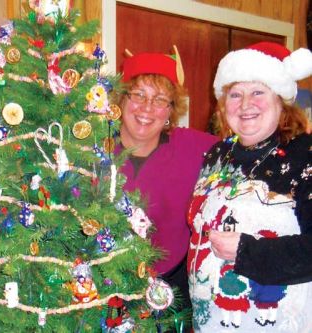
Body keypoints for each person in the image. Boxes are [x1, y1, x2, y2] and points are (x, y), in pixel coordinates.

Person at [187, 41, 312, 332]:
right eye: (235, 94)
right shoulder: (217, 155)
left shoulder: (304, 155)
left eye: (258, 92)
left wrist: (247, 251)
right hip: (211, 322)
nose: (245, 105)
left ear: (281, 100)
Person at [116, 47, 219, 318]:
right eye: (138, 95)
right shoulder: (93, 148)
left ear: (171, 110)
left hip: (172, 295)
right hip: (100, 290)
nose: (147, 108)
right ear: (121, 99)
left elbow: (250, 147)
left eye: (160, 99)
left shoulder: (193, 146)